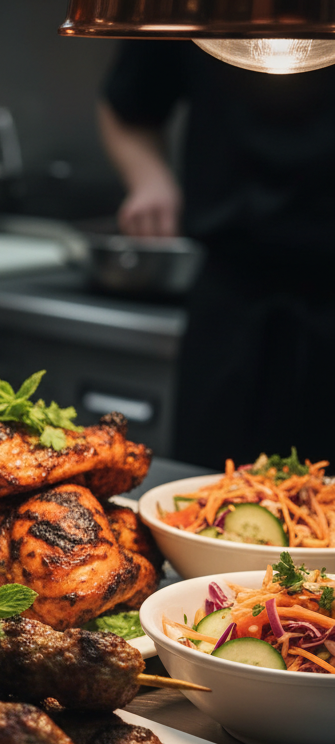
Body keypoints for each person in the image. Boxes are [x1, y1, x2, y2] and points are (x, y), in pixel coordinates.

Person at [98, 41, 335, 468]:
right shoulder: (193, 11)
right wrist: (150, 179)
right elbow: (125, 108)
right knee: (205, 497)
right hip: (232, 308)